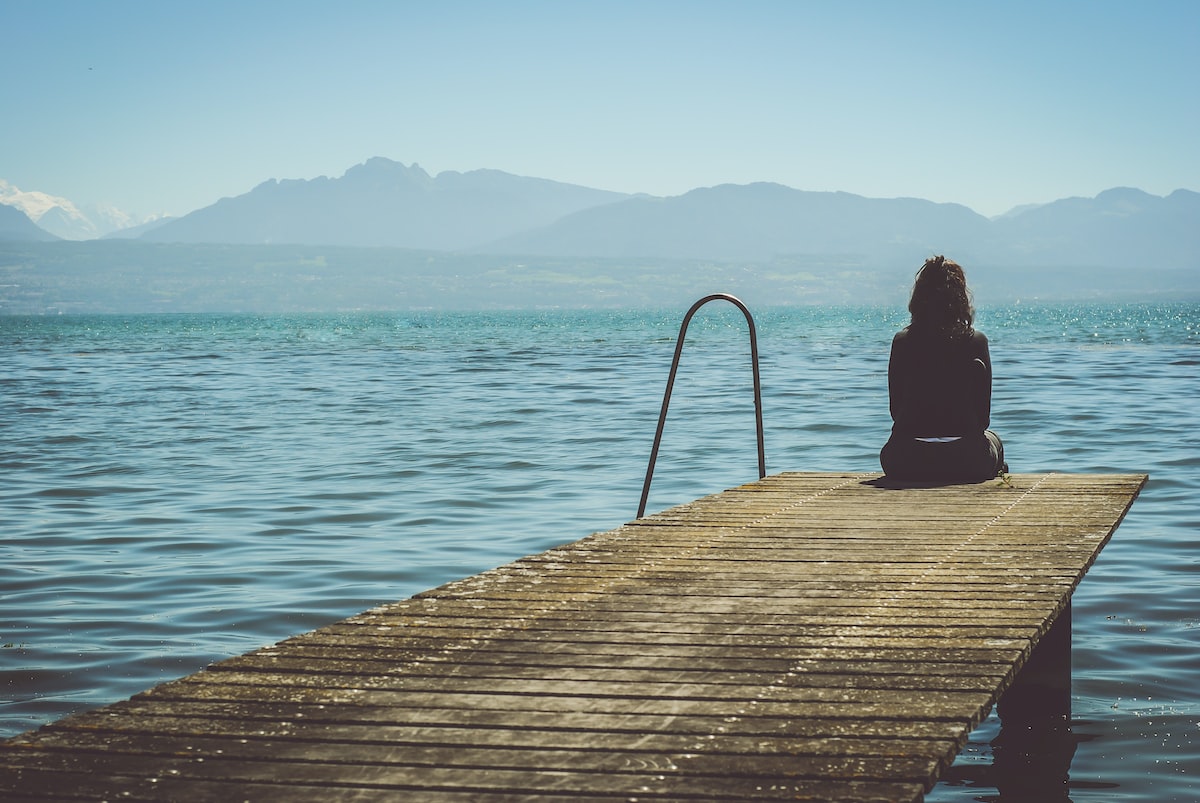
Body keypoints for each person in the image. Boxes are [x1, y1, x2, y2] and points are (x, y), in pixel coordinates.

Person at [880, 255, 1006, 482]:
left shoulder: (902, 342)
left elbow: (895, 411)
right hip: (967, 460)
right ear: (961, 299)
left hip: (906, 459)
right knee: (994, 440)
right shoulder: (976, 341)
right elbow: (983, 420)